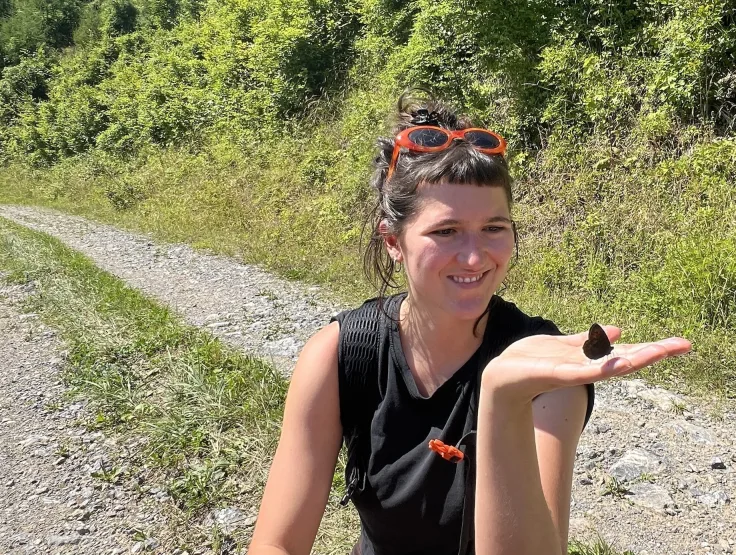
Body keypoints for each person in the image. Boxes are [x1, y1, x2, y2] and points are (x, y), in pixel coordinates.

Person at [246, 91, 692, 555]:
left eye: (494, 228)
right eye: (445, 231)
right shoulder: (341, 353)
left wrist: (502, 398)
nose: (475, 257)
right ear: (393, 241)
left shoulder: (542, 368)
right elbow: (275, 543)